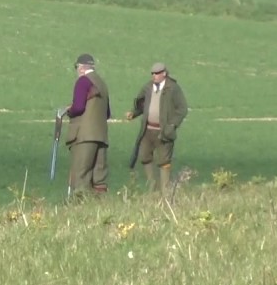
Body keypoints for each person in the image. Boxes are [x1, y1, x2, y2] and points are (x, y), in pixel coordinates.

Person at [125, 62, 188, 194]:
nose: (154, 76)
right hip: (147, 130)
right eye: (153, 73)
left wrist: (172, 125)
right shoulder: (148, 87)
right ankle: (152, 186)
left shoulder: (173, 88)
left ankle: (165, 190)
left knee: (164, 160)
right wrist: (133, 113)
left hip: (164, 131)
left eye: (157, 73)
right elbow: (141, 104)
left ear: (164, 73)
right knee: (145, 156)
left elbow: (182, 109)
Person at [64, 53, 112, 196]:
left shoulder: (83, 82)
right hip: (101, 136)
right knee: (99, 179)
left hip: (84, 135)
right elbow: (107, 113)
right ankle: (100, 207)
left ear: (80, 67)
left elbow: (78, 107)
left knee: (81, 174)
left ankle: (81, 207)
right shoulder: (102, 84)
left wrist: (69, 111)